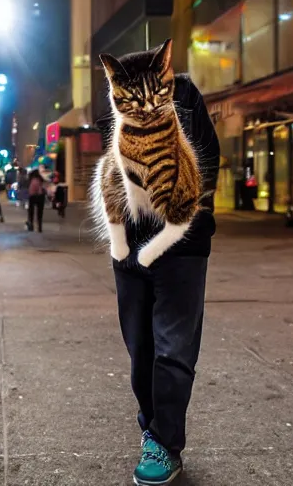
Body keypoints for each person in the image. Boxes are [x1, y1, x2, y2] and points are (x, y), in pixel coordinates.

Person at [95, 67, 220, 483]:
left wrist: (190, 223)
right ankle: (153, 428)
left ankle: (165, 444)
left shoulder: (184, 93)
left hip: (180, 246)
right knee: (140, 350)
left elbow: (207, 159)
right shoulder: (113, 103)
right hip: (130, 248)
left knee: (173, 348)